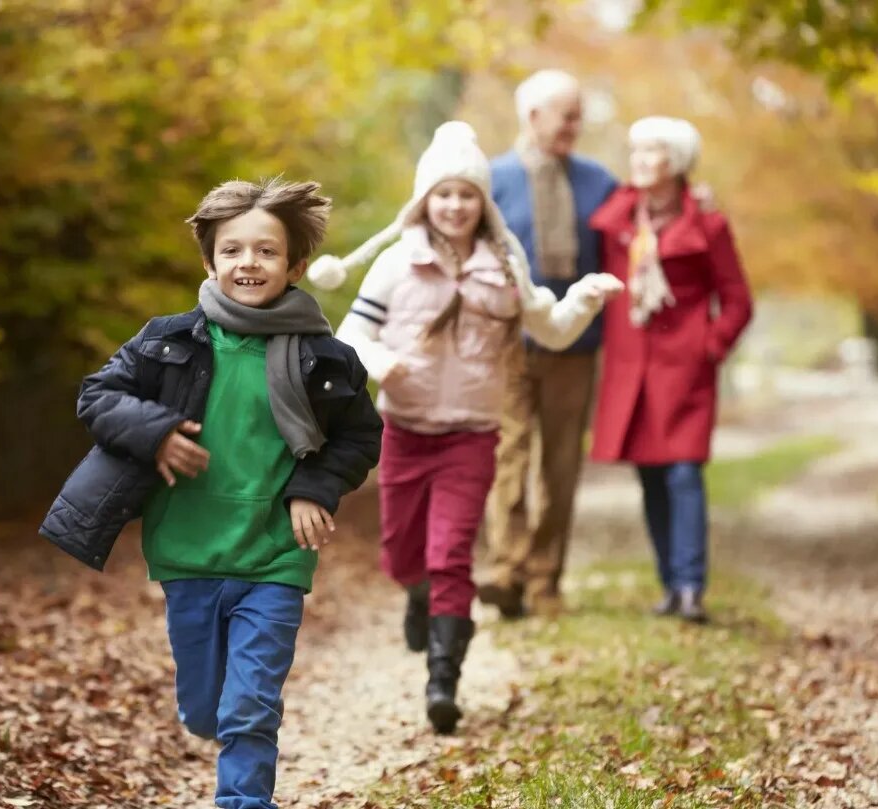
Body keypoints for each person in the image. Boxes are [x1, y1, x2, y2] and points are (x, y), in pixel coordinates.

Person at [40, 178, 382, 809]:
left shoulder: (327, 359)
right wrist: (158, 434)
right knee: (208, 710)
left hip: (275, 556)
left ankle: (243, 801)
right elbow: (97, 396)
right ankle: (216, 725)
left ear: (296, 265)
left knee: (250, 707)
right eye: (232, 250)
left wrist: (314, 489)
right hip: (188, 552)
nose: (248, 263)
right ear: (209, 261)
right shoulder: (167, 342)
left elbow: (360, 437)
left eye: (266, 251)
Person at [306, 121, 622, 733]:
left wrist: (582, 297)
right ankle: (417, 594)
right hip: (405, 429)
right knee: (402, 555)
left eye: (467, 194)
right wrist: (377, 363)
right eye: (444, 194)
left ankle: (443, 682)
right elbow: (351, 336)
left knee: (451, 554)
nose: (455, 206)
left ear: (484, 204)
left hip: (473, 434)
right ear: (425, 200)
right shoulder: (398, 265)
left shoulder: (504, 265)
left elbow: (550, 330)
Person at [589, 116, 753, 623]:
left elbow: (738, 300)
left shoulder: (708, 224)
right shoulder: (618, 221)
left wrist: (709, 346)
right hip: (630, 371)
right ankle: (668, 584)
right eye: (635, 149)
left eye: (652, 151)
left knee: (684, 475)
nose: (638, 159)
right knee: (651, 478)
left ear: (677, 162)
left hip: (685, 372)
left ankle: (691, 588)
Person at [477, 69, 620, 619]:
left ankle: (545, 580)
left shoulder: (598, 182)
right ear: (532, 116)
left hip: (576, 347)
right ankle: (507, 573)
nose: (575, 126)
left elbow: (636, 227)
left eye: (579, 115)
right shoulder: (492, 179)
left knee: (560, 466)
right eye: (567, 115)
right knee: (507, 458)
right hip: (508, 345)